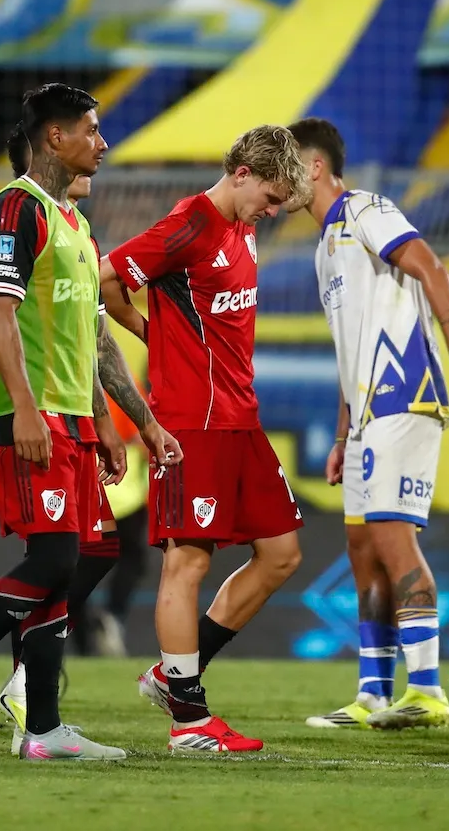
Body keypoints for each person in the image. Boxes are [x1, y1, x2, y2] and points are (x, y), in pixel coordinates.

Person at [0, 86, 175, 761]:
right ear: (55, 137)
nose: (104, 143)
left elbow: (93, 340)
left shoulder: (80, 229)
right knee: (57, 556)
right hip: (28, 417)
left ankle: (42, 728)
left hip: (73, 419)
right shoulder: (14, 212)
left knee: (88, 555)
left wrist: (133, 422)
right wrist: (28, 405)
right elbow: (0, 316)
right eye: (93, 130)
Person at [289, 117, 449, 731]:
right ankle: (373, 694)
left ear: (312, 168)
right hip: (364, 417)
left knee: (391, 540)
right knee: (362, 550)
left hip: (405, 397)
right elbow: (347, 348)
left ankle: (429, 690)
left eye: (284, 165)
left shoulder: (364, 210)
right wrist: (340, 435)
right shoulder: (324, 246)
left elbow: (429, 265)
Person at [102, 125, 311, 755]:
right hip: (191, 419)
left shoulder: (242, 221)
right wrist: (155, 339)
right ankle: (189, 723)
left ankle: (176, 676)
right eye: (269, 198)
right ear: (243, 173)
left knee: (281, 554)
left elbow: (275, 199)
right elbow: (109, 278)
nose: (272, 212)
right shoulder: (191, 223)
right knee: (187, 560)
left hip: (240, 417)